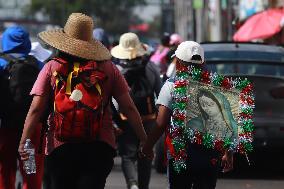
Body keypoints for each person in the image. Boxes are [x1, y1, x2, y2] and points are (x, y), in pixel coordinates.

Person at [18, 13, 149, 189]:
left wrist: (24, 141)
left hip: (59, 146)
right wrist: (144, 139)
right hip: (99, 146)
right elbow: (129, 108)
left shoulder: (52, 67)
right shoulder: (108, 68)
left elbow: (36, 109)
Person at [142, 41, 234, 189]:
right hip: (210, 155)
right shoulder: (217, 86)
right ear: (203, 63)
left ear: (178, 63)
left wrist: (147, 147)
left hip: (180, 154)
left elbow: (161, 123)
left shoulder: (171, 86)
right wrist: (228, 153)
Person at [111, 32, 162, 189]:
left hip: (126, 119)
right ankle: (143, 186)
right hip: (149, 119)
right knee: (145, 154)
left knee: (127, 155)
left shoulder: (116, 69)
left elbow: (113, 99)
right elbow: (159, 93)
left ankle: (132, 184)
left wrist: (114, 121)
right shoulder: (151, 67)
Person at [0, 26, 44, 189]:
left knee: (5, 169)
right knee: (31, 170)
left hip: (6, 129)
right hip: (32, 130)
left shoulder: (1, 64)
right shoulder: (39, 65)